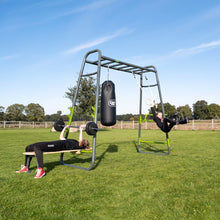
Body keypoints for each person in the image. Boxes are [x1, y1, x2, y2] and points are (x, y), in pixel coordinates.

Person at [16, 125, 90, 178]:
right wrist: (64, 128)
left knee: (38, 147)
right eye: (85, 140)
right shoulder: (74, 141)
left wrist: (81, 130)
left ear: (84, 145)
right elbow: (61, 137)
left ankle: (41, 170)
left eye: (85, 142)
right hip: (57, 142)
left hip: (57, 146)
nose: (84, 140)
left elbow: (80, 141)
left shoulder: (78, 145)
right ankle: (26, 166)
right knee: (28, 147)